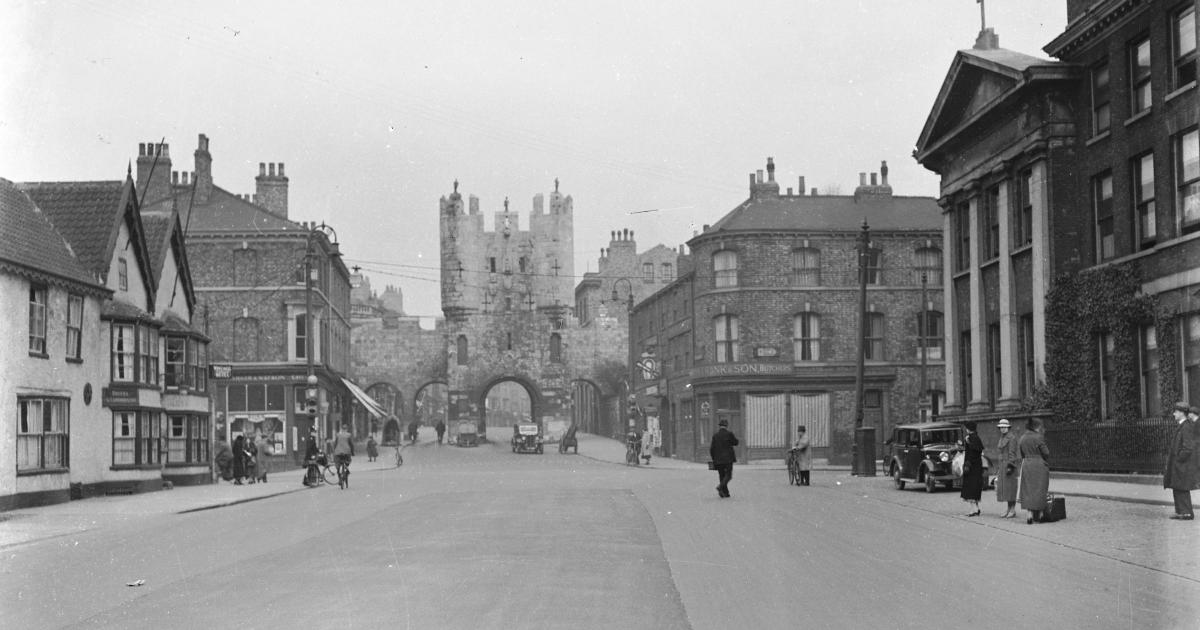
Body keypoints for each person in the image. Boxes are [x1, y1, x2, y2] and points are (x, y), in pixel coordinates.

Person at [1163, 402, 1197, 521]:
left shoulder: (1186, 426)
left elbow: (1188, 447)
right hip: (1179, 463)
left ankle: (1186, 513)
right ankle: (1180, 511)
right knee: (1177, 486)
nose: (1174, 414)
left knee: (1181, 487)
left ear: (1182, 413)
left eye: (1176, 412)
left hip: (1182, 463)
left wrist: (1178, 459)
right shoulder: (1183, 425)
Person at [1018, 417, 1051, 524]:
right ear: (1036, 427)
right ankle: (1040, 514)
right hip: (1039, 464)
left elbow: (1022, 454)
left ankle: (1029, 515)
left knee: (1028, 489)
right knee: (1040, 488)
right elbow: (1046, 453)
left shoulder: (1022, 438)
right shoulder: (1038, 437)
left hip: (1027, 464)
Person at [994, 418, 1019, 518]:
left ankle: (1012, 509)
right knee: (1006, 489)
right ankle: (1009, 508)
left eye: (1004, 427)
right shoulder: (1002, 437)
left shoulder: (1012, 438)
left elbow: (1012, 453)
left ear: (1008, 428)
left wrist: (1010, 466)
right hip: (1002, 465)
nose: (1002, 429)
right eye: (1001, 427)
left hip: (1009, 465)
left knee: (1011, 488)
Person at [959, 421, 984, 516]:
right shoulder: (976, 438)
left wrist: (967, 463)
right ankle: (976, 508)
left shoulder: (970, 438)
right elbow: (978, 451)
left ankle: (973, 509)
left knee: (971, 487)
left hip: (971, 466)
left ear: (969, 429)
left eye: (967, 428)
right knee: (975, 487)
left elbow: (972, 453)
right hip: (977, 466)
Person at [709, 418, 739, 498]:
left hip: (718, 459)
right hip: (728, 458)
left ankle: (725, 493)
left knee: (722, 475)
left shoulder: (715, 435)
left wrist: (714, 458)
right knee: (728, 475)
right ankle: (720, 487)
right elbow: (736, 443)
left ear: (720, 426)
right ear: (726, 426)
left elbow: (712, 449)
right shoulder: (729, 434)